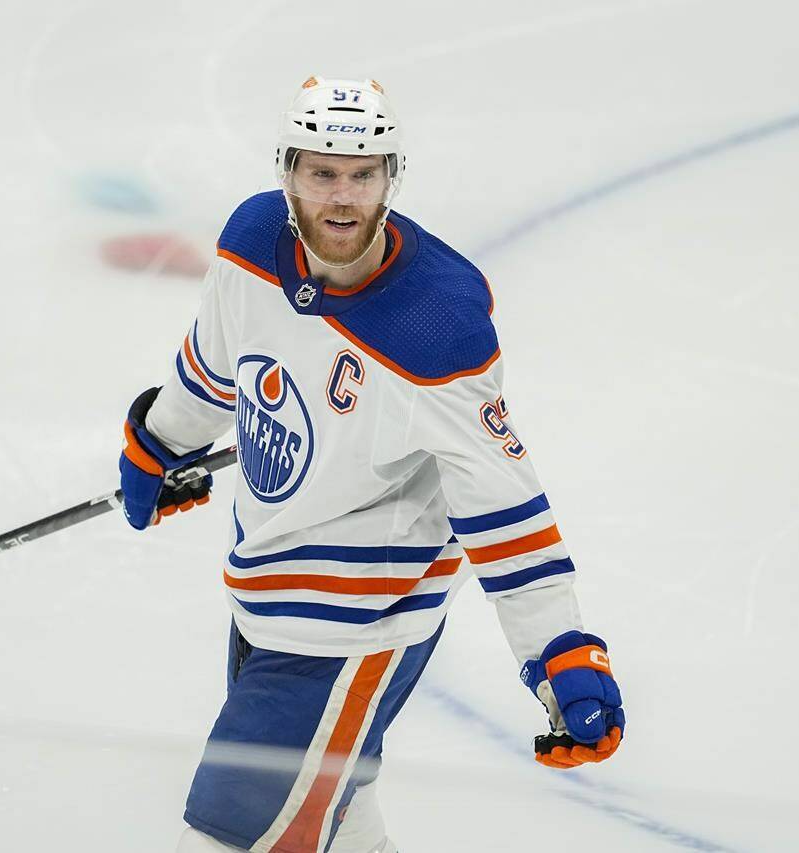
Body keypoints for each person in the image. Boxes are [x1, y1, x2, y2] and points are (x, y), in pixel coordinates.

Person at [116, 76, 625, 853]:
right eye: (322, 172)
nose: (344, 196)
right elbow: (213, 365)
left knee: (232, 834)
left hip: (358, 619)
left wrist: (559, 649)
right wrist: (159, 441)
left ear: (394, 177)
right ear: (285, 171)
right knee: (335, 812)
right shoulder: (250, 246)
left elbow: (500, 501)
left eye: (364, 173)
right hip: (262, 588)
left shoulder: (436, 324)